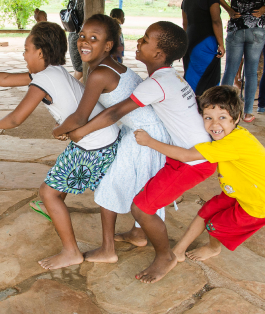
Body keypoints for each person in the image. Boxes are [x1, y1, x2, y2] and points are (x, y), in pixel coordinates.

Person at [0, 21, 121, 270]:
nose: (23, 55)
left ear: (40, 52)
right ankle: (52, 205)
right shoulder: (54, 72)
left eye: (26, 49)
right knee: (60, 174)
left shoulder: (42, 81)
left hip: (93, 144)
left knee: (48, 192)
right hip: (102, 138)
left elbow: (15, 118)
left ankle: (71, 251)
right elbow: (4, 78)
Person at [61, 22, 217, 283]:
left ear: (159, 54)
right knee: (142, 197)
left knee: (142, 208)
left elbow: (114, 113)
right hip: (184, 153)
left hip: (194, 160)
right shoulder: (168, 77)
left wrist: (80, 132)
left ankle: (165, 255)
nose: (138, 42)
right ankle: (138, 234)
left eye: (145, 40)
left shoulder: (154, 84)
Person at [51, 15, 171, 264]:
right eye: (82, 35)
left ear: (108, 46)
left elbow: (80, 116)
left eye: (94, 38)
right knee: (141, 185)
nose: (84, 41)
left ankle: (108, 249)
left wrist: (61, 130)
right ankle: (138, 233)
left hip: (143, 136)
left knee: (108, 187)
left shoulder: (99, 74)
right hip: (146, 131)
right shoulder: (113, 65)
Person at [135, 86, 265, 266]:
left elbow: (186, 155)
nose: (214, 124)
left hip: (257, 203)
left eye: (222, 118)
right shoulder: (230, 137)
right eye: (208, 118)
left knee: (216, 225)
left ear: (235, 119)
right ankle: (178, 251)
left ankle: (213, 248)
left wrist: (149, 142)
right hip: (237, 192)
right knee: (205, 213)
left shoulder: (234, 143)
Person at [213, 0, 265, 123]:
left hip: (236, 28)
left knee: (230, 70)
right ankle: (248, 112)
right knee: (251, 72)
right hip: (257, 30)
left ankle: (222, 108)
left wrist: (228, 9)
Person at [182, 0, 225, 96]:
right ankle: (207, 110)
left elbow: (185, 24)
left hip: (190, 42)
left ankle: (192, 108)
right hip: (206, 42)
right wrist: (221, 44)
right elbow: (216, 21)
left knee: (191, 78)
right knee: (209, 79)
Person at [67, 0, 85, 81]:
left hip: (73, 34)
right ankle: (74, 91)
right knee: (81, 68)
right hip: (84, 35)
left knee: (78, 68)